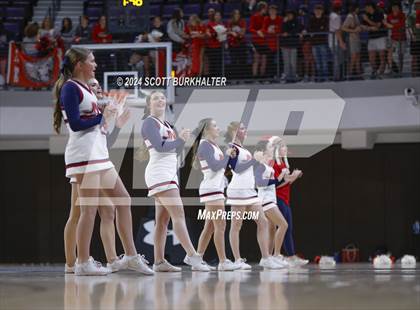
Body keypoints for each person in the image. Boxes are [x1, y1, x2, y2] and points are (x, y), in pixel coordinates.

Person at [53, 47, 153, 276]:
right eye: (92, 60)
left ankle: (130, 256)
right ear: (79, 64)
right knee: (87, 211)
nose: (95, 64)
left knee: (123, 200)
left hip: (98, 155)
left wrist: (108, 116)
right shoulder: (70, 88)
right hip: (84, 156)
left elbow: (96, 124)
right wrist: (103, 113)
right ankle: (82, 262)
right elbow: (76, 124)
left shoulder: (85, 89)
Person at [63, 78, 136, 274]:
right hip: (85, 163)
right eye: (92, 84)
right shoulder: (85, 108)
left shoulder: (99, 112)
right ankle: (72, 262)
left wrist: (117, 125)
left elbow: (106, 142)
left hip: (98, 163)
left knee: (108, 211)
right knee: (77, 214)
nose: (96, 87)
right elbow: (80, 130)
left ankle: (111, 259)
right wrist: (105, 118)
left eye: (97, 85)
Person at [138, 91, 210, 272]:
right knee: (179, 214)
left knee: (162, 221)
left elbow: (173, 150)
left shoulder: (167, 125)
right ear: (149, 105)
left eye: (162, 97)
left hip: (168, 173)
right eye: (155, 98)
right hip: (159, 173)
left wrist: (183, 140)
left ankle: (159, 262)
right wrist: (180, 140)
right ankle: (193, 256)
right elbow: (160, 147)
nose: (160, 100)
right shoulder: (149, 122)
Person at [225, 122, 283, 270]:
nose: (245, 130)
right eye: (242, 128)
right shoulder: (231, 147)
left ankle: (265, 258)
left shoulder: (242, 148)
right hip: (238, 191)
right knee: (236, 225)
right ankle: (237, 259)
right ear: (235, 131)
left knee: (262, 221)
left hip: (250, 191)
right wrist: (254, 160)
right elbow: (237, 169)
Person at [191, 118, 239, 271]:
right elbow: (214, 165)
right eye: (215, 125)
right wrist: (226, 155)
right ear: (207, 130)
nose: (218, 128)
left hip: (214, 188)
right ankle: (223, 262)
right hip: (212, 190)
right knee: (221, 225)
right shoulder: (205, 144)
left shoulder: (212, 145)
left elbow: (219, 168)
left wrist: (229, 157)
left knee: (210, 227)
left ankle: (197, 259)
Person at [271, 137, 308, 267]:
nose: (285, 149)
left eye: (285, 147)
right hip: (278, 199)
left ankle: (289, 256)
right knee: (283, 227)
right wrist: (291, 177)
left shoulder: (283, 163)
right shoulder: (274, 164)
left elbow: (286, 183)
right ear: (276, 149)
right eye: (283, 147)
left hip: (286, 200)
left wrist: (294, 176)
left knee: (288, 228)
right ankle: (279, 255)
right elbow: (275, 185)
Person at [253, 139, 289, 267]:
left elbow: (275, 184)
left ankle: (268, 258)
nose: (272, 148)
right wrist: (275, 179)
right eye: (270, 146)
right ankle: (276, 255)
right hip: (265, 201)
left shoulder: (268, 165)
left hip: (270, 199)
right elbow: (259, 183)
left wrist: (283, 176)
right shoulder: (260, 165)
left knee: (272, 229)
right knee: (284, 225)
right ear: (263, 150)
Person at [362, 2, 387, 79]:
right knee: (371, 58)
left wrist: (368, 20)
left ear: (370, 6)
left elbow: (378, 25)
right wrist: (369, 27)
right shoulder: (367, 15)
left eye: (366, 7)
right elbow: (363, 26)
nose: (365, 9)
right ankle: (375, 71)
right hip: (371, 38)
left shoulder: (379, 13)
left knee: (382, 56)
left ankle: (381, 74)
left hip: (381, 37)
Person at [384, 2, 406, 75]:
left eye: (396, 7)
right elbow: (386, 25)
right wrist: (390, 25)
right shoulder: (389, 16)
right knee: (390, 54)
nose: (395, 9)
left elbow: (401, 25)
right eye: (393, 7)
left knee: (401, 55)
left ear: (399, 8)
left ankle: (400, 70)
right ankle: (391, 69)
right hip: (393, 38)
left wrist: (392, 26)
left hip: (402, 38)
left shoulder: (402, 15)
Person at [309, 4, 329, 82]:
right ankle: (320, 78)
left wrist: (317, 31)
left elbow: (325, 29)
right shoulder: (311, 19)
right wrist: (319, 29)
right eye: (316, 10)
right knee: (317, 62)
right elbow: (310, 30)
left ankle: (325, 77)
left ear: (322, 11)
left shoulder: (325, 19)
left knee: (324, 61)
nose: (317, 11)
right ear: (314, 11)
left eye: (319, 9)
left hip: (323, 43)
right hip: (314, 44)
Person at [342, 3, 362, 79]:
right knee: (353, 57)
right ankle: (349, 75)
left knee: (358, 57)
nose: (359, 9)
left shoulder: (355, 16)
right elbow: (343, 28)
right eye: (358, 8)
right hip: (352, 39)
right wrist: (353, 30)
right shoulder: (349, 16)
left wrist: (359, 28)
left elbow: (358, 26)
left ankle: (358, 74)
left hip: (357, 38)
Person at [281, 9, 301, 83]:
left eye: (290, 14)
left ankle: (293, 77)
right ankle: (287, 77)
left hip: (293, 45)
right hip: (285, 45)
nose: (289, 16)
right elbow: (283, 31)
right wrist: (284, 22)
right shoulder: (284, 22)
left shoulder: (296, 22)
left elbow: (296, 30)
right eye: (288, 14)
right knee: (286, 62)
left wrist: (289, 33)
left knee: (293, 62)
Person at [249, 1, 269, 79]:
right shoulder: (254, 17)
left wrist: (263, 31)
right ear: (261, 8)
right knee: (256, 60)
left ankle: (262, 77)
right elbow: (250, 29)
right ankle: (255, 77)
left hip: (264, 42)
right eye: (265, 8)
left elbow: (265, 28)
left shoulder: (266, 18)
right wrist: (257, 32)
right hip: (256, 42)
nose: (266, 10)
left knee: (264, 60)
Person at [263, 5, 282, 80]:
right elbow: (264, 30)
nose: (272, 12)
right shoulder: (266, 19)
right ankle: (269, 77)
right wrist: (268, 30)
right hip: (269, 43)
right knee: (269, 61)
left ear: (276, 11)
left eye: (274, 10)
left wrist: (274, 30)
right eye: (271, 10)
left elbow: (281, 29)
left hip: (278, 43)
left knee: (279, 61)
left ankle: (279, 76)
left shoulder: (280, 19)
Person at [227, 10, 247, 79]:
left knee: (242, 60)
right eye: (235, 14)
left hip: (241, 44)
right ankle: (234, 77)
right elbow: (229, 32)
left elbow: (243, 33)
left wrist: (235, 34)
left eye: (238, 14)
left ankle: (242, 77)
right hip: (232, 45)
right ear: (233, 15)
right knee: (233, 61)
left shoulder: (242, 21)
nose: (237, 15)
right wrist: (236, 34)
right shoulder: (230, 22)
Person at [329, 1, 346, 81]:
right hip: (335, 41)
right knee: (337, 60)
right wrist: (341, 42)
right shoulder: (336, 16)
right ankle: (337, 77)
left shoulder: (332, 15)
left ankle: (338, 76)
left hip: (332, 41)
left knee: (338, 59)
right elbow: (337, 31)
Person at [205, 11, 226, 77]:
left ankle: (219, 78)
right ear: (214, 16)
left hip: (219, 46)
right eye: (216, 15)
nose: (218, 16)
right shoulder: (210, 24)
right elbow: (208, 33)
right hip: (211, 46)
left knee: (218, 63)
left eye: (219, 15)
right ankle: (212, 78)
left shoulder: (222, 25)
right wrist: (213, 35)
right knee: (212, 63)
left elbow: (223, 36)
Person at [408, 0, 420, 76]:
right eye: (416, 4)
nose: (417, 5)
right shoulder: (411, 15)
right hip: (416, 39)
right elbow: (409, 27)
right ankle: (413, 75)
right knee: (414, 57)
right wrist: (412, 35)